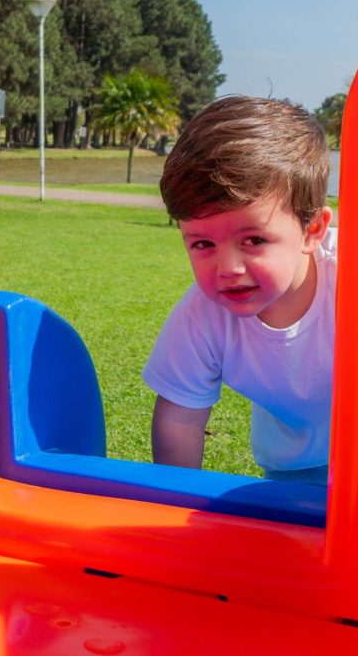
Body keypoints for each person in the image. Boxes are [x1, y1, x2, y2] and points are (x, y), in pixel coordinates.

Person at [142, 96, 335, 486]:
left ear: (312, 231)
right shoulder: (202, 317)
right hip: (294, 470)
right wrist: (178, 507)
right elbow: (179, 420)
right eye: (202, 245)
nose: (227, 269)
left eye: (253, 240)